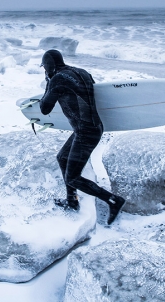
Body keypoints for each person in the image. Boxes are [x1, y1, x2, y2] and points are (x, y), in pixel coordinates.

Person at [39, 49, 126, 225]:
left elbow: (44, 109)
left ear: (48, 66)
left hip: (85, 132)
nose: (44, 71)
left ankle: (113, 200)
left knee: (72, 177)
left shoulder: (57, 79)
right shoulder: (83, 72)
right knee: (62, 157)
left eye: (44, 68)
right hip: (91, 127)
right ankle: (72, 201)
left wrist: (49, 82)